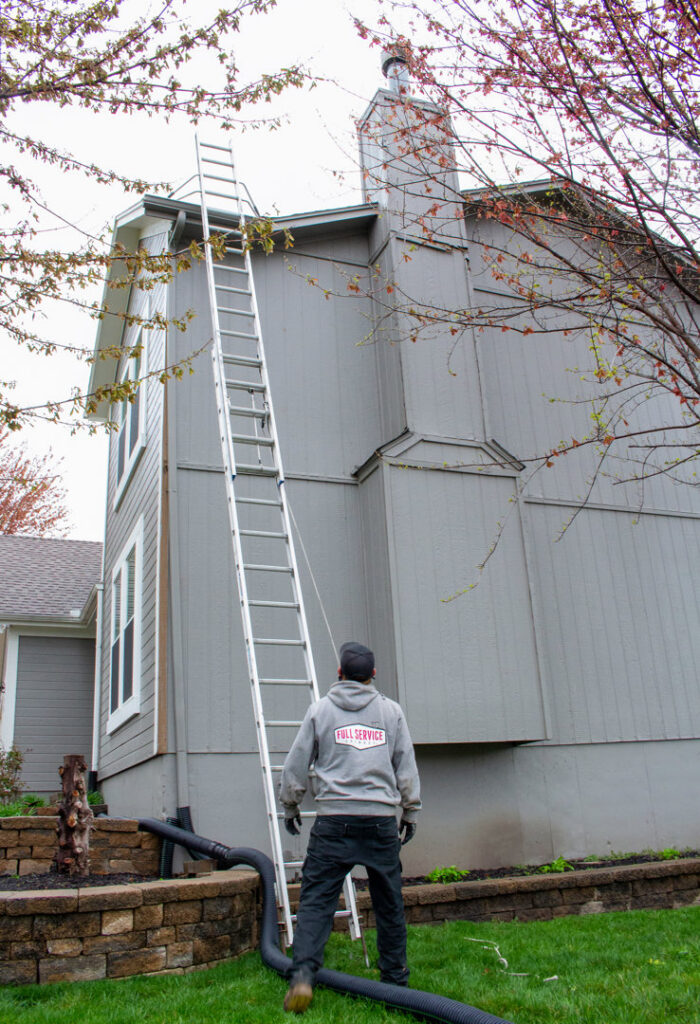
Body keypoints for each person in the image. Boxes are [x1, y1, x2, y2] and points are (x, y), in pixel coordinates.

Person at [279, 641, 421, 1014]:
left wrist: (290, 805)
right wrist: (410, 811)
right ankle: (396, 985)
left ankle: (304, 977)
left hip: (334, 823)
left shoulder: (320, 711)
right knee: (389, 904)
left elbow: (296, 764)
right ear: (373, 675)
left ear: (339, 674)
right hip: (379, 823)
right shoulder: (392, 712)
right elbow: (405, 764)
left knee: (316, 901)